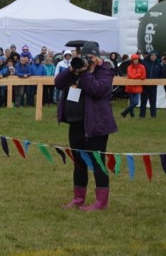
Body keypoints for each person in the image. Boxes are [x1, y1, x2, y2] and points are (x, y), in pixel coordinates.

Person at [55, 41, 117, 211]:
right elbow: (58, 83)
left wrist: (85, 73)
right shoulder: (77, 70)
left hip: (96, 125)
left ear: (97, 57)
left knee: (98, 162)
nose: (87, 61)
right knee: (79, 162)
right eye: (85, 57)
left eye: (90, 58)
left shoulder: (105, 72)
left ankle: (101, 202)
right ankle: (78, 198)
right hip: (76, 124)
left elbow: (97, 90)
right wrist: (71, 70)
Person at [121, 53, 146, 118]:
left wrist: (137, 76)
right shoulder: (129, 67)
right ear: (132, 60)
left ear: (138, 60)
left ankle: (125, 112)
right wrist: (139, 75)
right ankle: (132, 115)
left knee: (136, 102)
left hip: (138, 87)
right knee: (133, 102)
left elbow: (143, 76)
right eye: (134, 59)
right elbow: (131, 76)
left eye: (136, 59)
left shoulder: (142, 67)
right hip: (130, 87)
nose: (135, 61)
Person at [139, 50, 163, 118]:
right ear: (150, 56)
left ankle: (153, 116)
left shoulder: (159, 64)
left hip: (153, 87)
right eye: (152, 55)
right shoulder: (144, 63)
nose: (153, 57)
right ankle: (142, 116)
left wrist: (157, 81)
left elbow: (161, 75)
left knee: (153, 102)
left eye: (154, 55)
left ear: (156, 56)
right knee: (143, 102)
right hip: (144, 86)